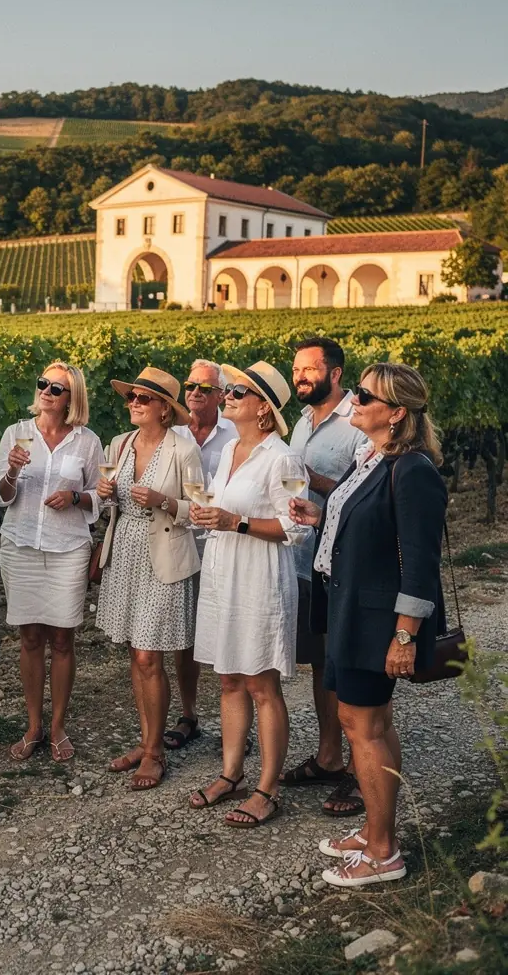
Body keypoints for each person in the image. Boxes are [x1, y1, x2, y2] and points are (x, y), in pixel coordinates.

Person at [290, 363, 446, 887]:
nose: (353, 399)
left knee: (364, 726)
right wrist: (320, 519)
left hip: (378, 621)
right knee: (369, 723)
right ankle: (376, 831)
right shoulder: (371, 458)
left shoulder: (413, 470)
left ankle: (383, 853)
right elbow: (364, 527)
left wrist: (404, 635)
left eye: (364, 394)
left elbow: (420, 565)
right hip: (351, 611)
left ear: (396, 412)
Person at [189, 361, 311, 827]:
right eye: (230, 391)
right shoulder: (229, 450)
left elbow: (296, 529)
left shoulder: (282, 458)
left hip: (259, 578)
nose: (228, 396)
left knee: (262, 685)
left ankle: (268, 788)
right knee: (228, 679)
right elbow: (221, 509)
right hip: (224, 573)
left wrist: (234, 521)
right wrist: (209, 515)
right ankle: (232, 774)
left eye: (239, 392)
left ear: (264, 408)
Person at [94, 367, 202, 791]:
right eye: (131, 397)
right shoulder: (120, 444)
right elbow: (110, 500)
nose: (134, 403)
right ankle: (146, 741)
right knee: (134, 653)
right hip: (124, 553)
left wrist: (165, 501)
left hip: (163, 557)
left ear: (164, 409)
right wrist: (104, 495)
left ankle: (155, 753)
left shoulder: (184, 450)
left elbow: (200, 511)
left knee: (147, 656)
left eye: (143, 398)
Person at [0, 363, 103, 763]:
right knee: (30, 639)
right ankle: (33, 725)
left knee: (62, 639)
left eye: (57, 388)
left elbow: (101, 495)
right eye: (43, 384)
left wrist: (74, 498)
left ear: (72, 398)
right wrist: (12, 471)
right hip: (20, 545)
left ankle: (57, 727)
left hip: (68, 548)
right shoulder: (16, 434)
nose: (47, 391)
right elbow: (1, 496)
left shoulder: (87, 442)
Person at [282, 338, 369, 817]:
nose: (300, 377)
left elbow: (367, 495)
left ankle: (360, 769)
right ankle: (329, 756)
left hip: (345, 566)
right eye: (296, 369)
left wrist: (313, 480)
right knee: (321, 662)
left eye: (309, 369)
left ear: (334, 374)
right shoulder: (301, 420)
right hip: (305, 561)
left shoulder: (358, 419)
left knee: (348, 663)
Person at [169, 358, 237, 750]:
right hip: (181, 542)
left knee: (229, 632)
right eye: (191, 385)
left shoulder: (234, 433)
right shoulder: (172, 431)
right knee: (185, 636)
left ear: (221, 395)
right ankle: (189, 714)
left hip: (224, 545)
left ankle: (236, 726)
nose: (195, 392)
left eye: (205, 388)